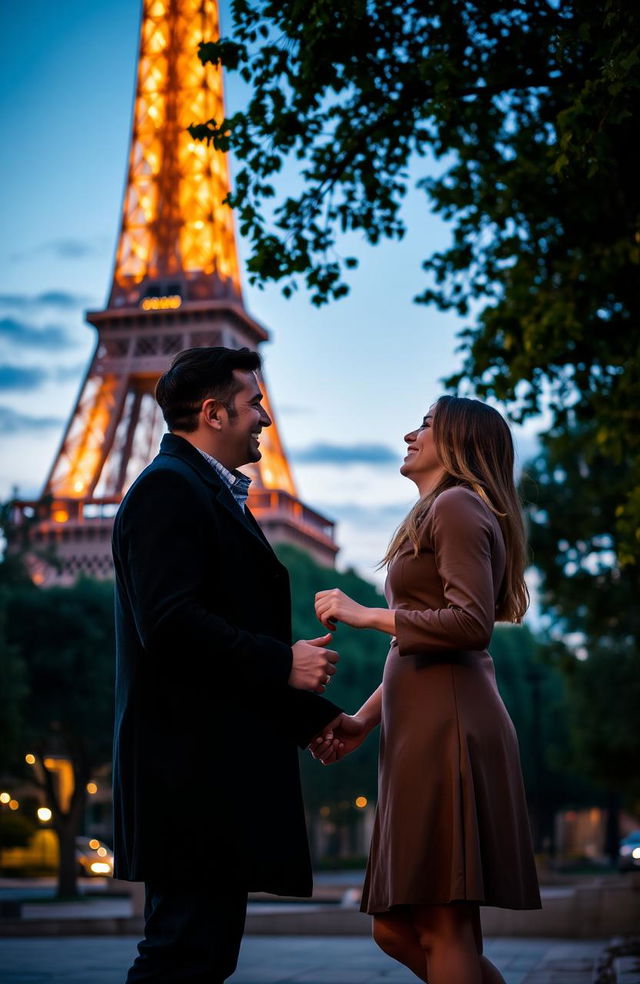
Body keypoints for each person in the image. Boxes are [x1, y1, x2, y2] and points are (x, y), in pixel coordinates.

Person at [112, 346, 344, 983]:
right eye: (253, 404)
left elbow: (215, 638)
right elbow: (169, 624)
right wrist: (282, 662)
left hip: (206, 773)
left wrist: (312, 719)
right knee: (183, 954)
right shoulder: (167, 489)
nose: (265, 417)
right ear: (213, 413)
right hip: (188, 775)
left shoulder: (201, 491)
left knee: (202, 956)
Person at [311, 395, 541, 984]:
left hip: (448, 729)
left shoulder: (459, 505)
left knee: (443, 925)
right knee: (397, 927)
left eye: (427, 426)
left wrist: (363, 614)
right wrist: (364, 720)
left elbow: (468, 625)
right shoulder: (441, 510)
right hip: (422, 729)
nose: (410, 435)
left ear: (460, 443)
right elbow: (414, 644)